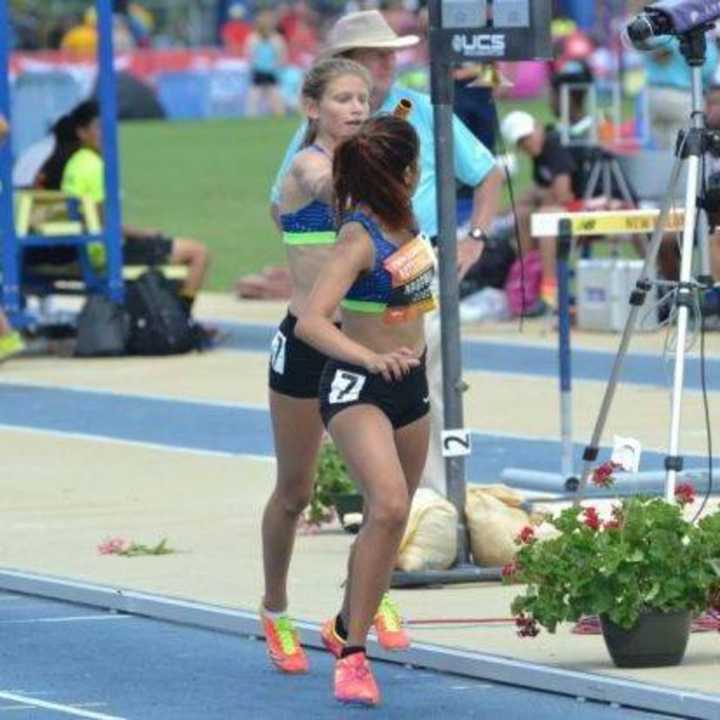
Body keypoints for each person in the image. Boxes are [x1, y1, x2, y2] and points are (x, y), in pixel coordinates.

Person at [270, 10, 503, 499]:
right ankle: (382, 500)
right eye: (375, 55)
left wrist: (475, 234)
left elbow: (487, 170)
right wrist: (331, 252)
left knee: (422, 384)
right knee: (354, 392)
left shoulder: (414, 107)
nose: (387, 64)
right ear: (346, 64)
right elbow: (283, 201)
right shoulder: (320, 128)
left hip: (413, 263)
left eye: (390, 54)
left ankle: (424, 504)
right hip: (352, 275)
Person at [296, 114, 433, 707]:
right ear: (406, 170)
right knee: (391, 503)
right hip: (358, 387)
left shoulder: (410, 221)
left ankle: (342, 623)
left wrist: (412, 354)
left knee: (390, 521)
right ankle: (353, 656)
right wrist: (370, 360)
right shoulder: (357, 237)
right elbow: (310, 322)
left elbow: (414, 305)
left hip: (412, 385)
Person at [260, 57, 378, 675]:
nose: (357, 109)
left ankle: (353, 614)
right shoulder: (309, 165)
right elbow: (324, 188)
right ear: (313, 109)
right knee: (295, 491)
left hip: (357, 346)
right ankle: (275, 606)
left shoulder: (367, 166)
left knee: (383, 494)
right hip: (306, 347)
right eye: (342, 100)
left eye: (364, 99)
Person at [33, 101, 210, 314]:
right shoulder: (95, 168)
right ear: (81, 132)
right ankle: (182, 320)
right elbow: (104, 222)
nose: (106, 133)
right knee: (198, 253)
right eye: (99, 127)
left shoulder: (74, 163)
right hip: (104, 252)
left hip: (83, 249)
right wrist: (143, 233)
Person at [245, 8, 288, 117]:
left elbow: (281, 55)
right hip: (262, 70)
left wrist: (279, 67)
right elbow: (249, 55)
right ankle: (252, 117)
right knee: (257, 96)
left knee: (272, 96)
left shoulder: (275, 38)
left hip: (268, 70)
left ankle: (278, 116)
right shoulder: (254, 38)